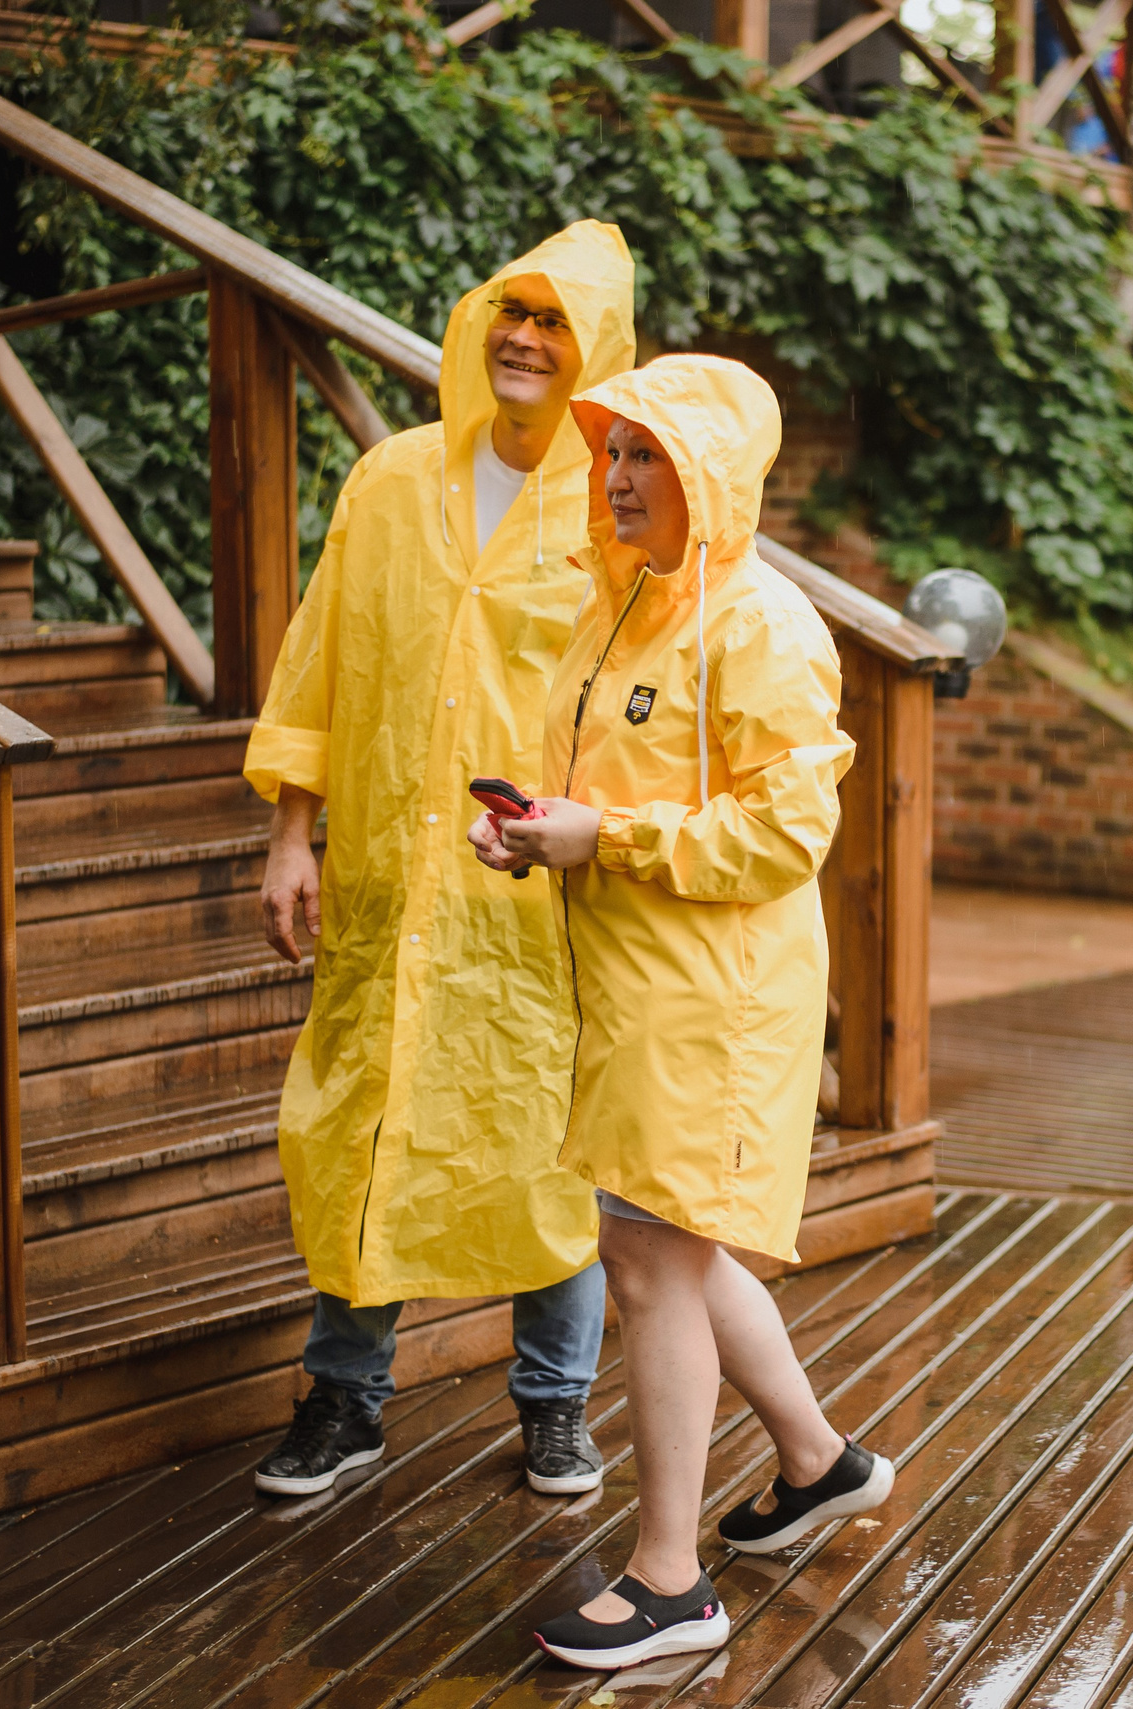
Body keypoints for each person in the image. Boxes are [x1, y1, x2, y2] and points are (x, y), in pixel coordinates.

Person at [468, 355, 894, 1670]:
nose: (618, 475)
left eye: (647, 453)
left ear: (709, 474)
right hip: (633, 985)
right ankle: (817, 1462)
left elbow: (785, 832)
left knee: (651, 1258)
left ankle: (670, 1581)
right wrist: (538, 828)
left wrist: (604, 838)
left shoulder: (762, 624)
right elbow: (611, 788)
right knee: (679, 1252)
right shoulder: (619, 606)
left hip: (717, 998)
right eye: (612, 451)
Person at [243, 223, 636, 1499]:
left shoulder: (615, 508)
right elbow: (320, 658)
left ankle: (556, 1406)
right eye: (511, 310)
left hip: (534, 892)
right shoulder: (393, 479)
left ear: (596, 349)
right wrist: (290, 833)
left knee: (546, 1144)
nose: (523, 337)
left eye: (555, 321)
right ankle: (343, 1399)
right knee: (360, 1120)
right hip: (385, 872)